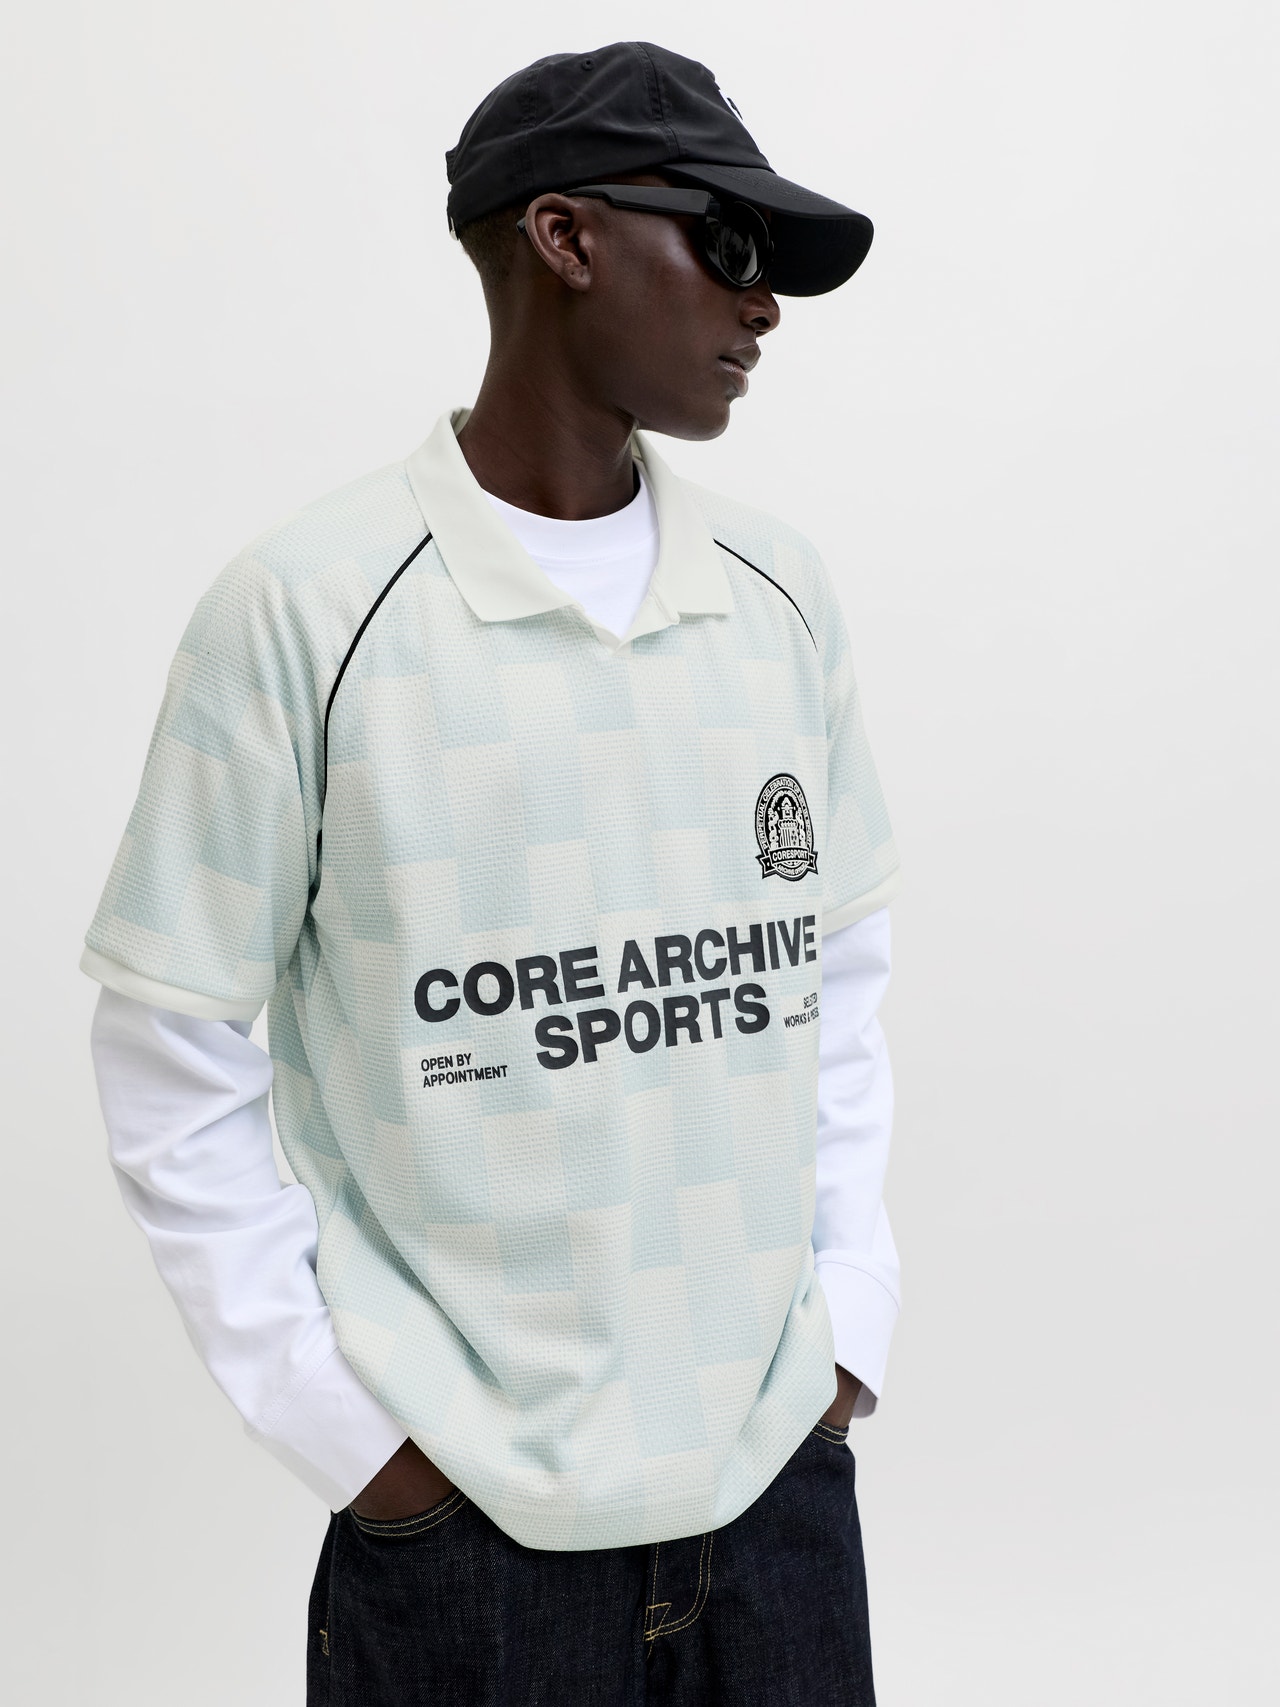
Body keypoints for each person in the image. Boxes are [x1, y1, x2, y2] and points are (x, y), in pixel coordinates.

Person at [82, 40, 902, 1705]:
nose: (763, 306)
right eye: (728, 244)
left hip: (775, 1498)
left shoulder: (780, 596)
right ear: (566, 237)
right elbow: (169, 1045)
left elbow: (837, 989)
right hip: (472, 1541)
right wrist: (355, 1440)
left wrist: (847, 1332)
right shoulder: (306, 611)